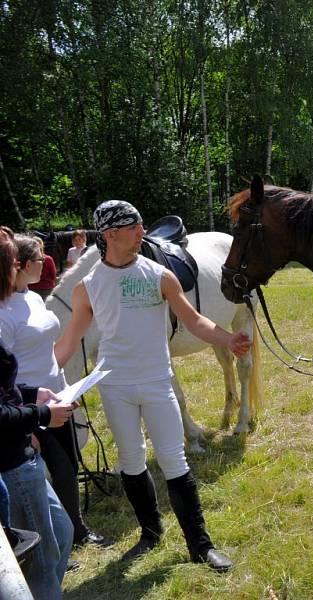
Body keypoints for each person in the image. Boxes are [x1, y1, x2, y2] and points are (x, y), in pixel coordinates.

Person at [55, 200, 251, 572]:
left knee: (174, 460)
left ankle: (201, 545)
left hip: (158, 382)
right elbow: (65, 347)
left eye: (142, 225)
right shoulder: (88, 287)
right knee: (131, 461)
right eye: (134, 227)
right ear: (110, 234)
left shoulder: (159, 275)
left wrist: (227, 338)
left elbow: (193, 321)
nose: (142, 232)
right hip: (115, 389)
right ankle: (150, 533)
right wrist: (38, 383)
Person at [1, 234, 114, 552]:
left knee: (70, 465)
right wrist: (24, 425)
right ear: (19, 266)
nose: (45, 262)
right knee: (50, 474)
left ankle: (75, 531)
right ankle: (53, 543)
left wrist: (83, 314)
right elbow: (4, 376)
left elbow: (50, 352)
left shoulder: (34, 298)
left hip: (54, 397)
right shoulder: (3, 313)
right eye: (38, 258)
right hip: (28, 407)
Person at [1, 225, 77, 600]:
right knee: (42, 557)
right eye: (13, 261)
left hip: (21, 443)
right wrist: (39, 414)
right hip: (10, 458)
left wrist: (34, 394)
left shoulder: (29, 299)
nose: (20, 265)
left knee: (59, 534)